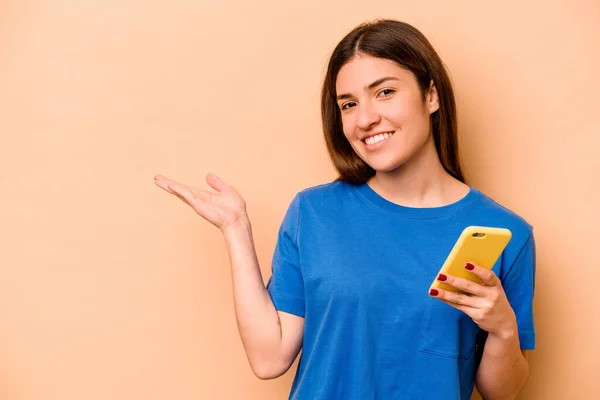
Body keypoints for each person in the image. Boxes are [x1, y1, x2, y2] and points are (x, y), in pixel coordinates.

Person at [154, 19, 535, 400]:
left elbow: (499, 393)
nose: (365, 119)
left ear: (431, 95)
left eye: (384, 92)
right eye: (348, 104)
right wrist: (235, 228)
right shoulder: (314, 213)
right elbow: (268, 359)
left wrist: (503, 328)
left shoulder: (506, 234)